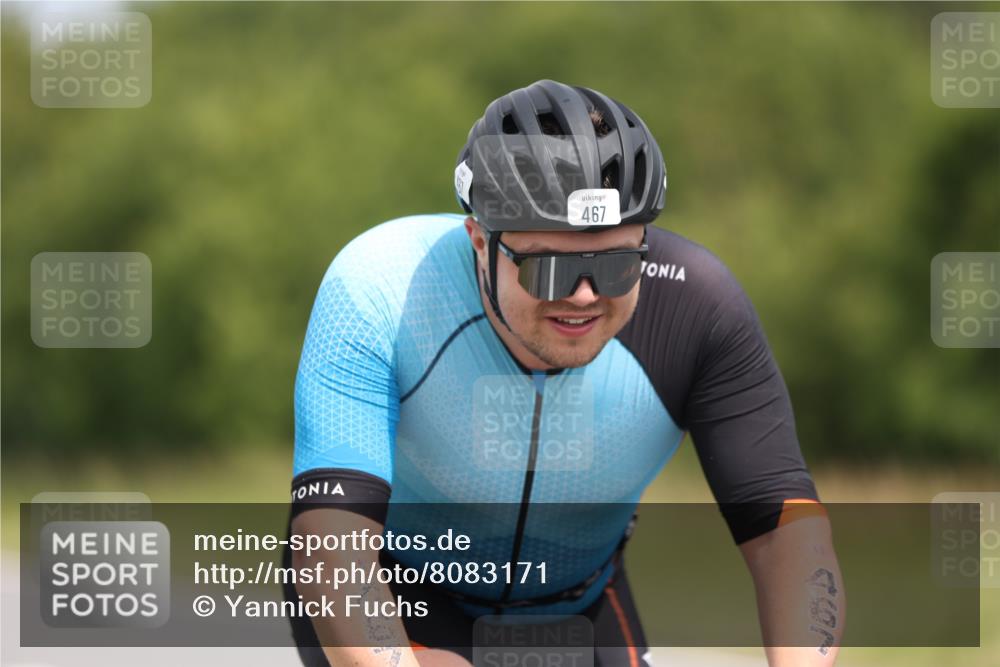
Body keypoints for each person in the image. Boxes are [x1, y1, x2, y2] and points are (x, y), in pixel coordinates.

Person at [285, 79, 844, 667]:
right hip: (400, 598)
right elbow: (333, 542)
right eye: (549, 270)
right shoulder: (380, 287)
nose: (582, 296)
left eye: (616, 265)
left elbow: (788, 536)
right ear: (480, 241)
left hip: (578, 606)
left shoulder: (700, 308)